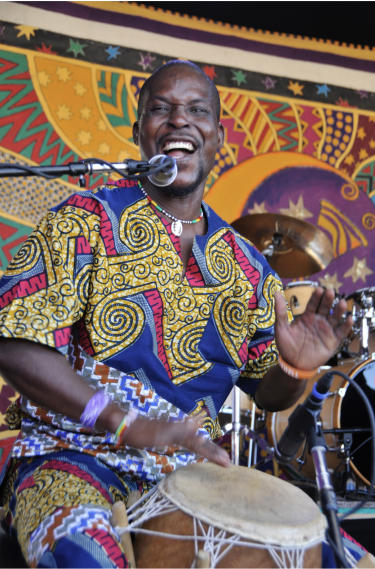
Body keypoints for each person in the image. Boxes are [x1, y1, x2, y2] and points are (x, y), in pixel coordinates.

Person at [0, 60, 359, 568]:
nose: (178, 121)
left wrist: (295, 366)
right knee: (87, 556)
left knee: (330, 558)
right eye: (160, 110)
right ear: (139, 131)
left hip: (186, 476)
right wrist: (127, 425)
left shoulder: (249, 267)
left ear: (216, 138)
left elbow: (269, 391)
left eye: (196, 111)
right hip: (70, 459)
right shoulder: (84, 220)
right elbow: (15, 342)